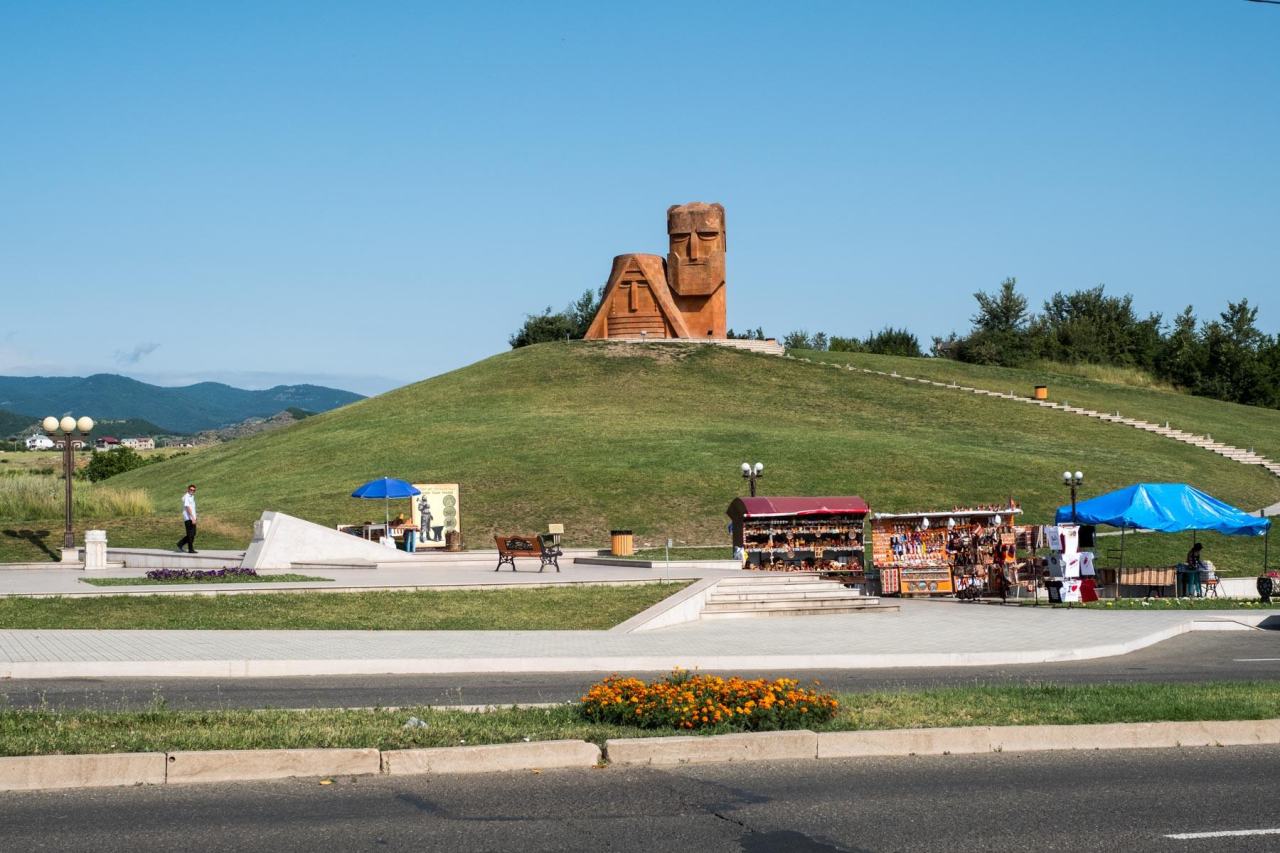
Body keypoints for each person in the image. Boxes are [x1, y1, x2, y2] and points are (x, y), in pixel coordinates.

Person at [176, 484, 198, 553]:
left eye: (193, 490)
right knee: (190, 534)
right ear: (188, 489)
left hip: (192, 517)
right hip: (188, 518)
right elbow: (187, 507)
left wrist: (195, 517)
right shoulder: (187, 497)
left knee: (193, 534)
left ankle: (180, 543)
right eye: (191, 490)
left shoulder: (191, 496)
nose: (192, 491)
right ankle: (190, 549)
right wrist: (192, 518)